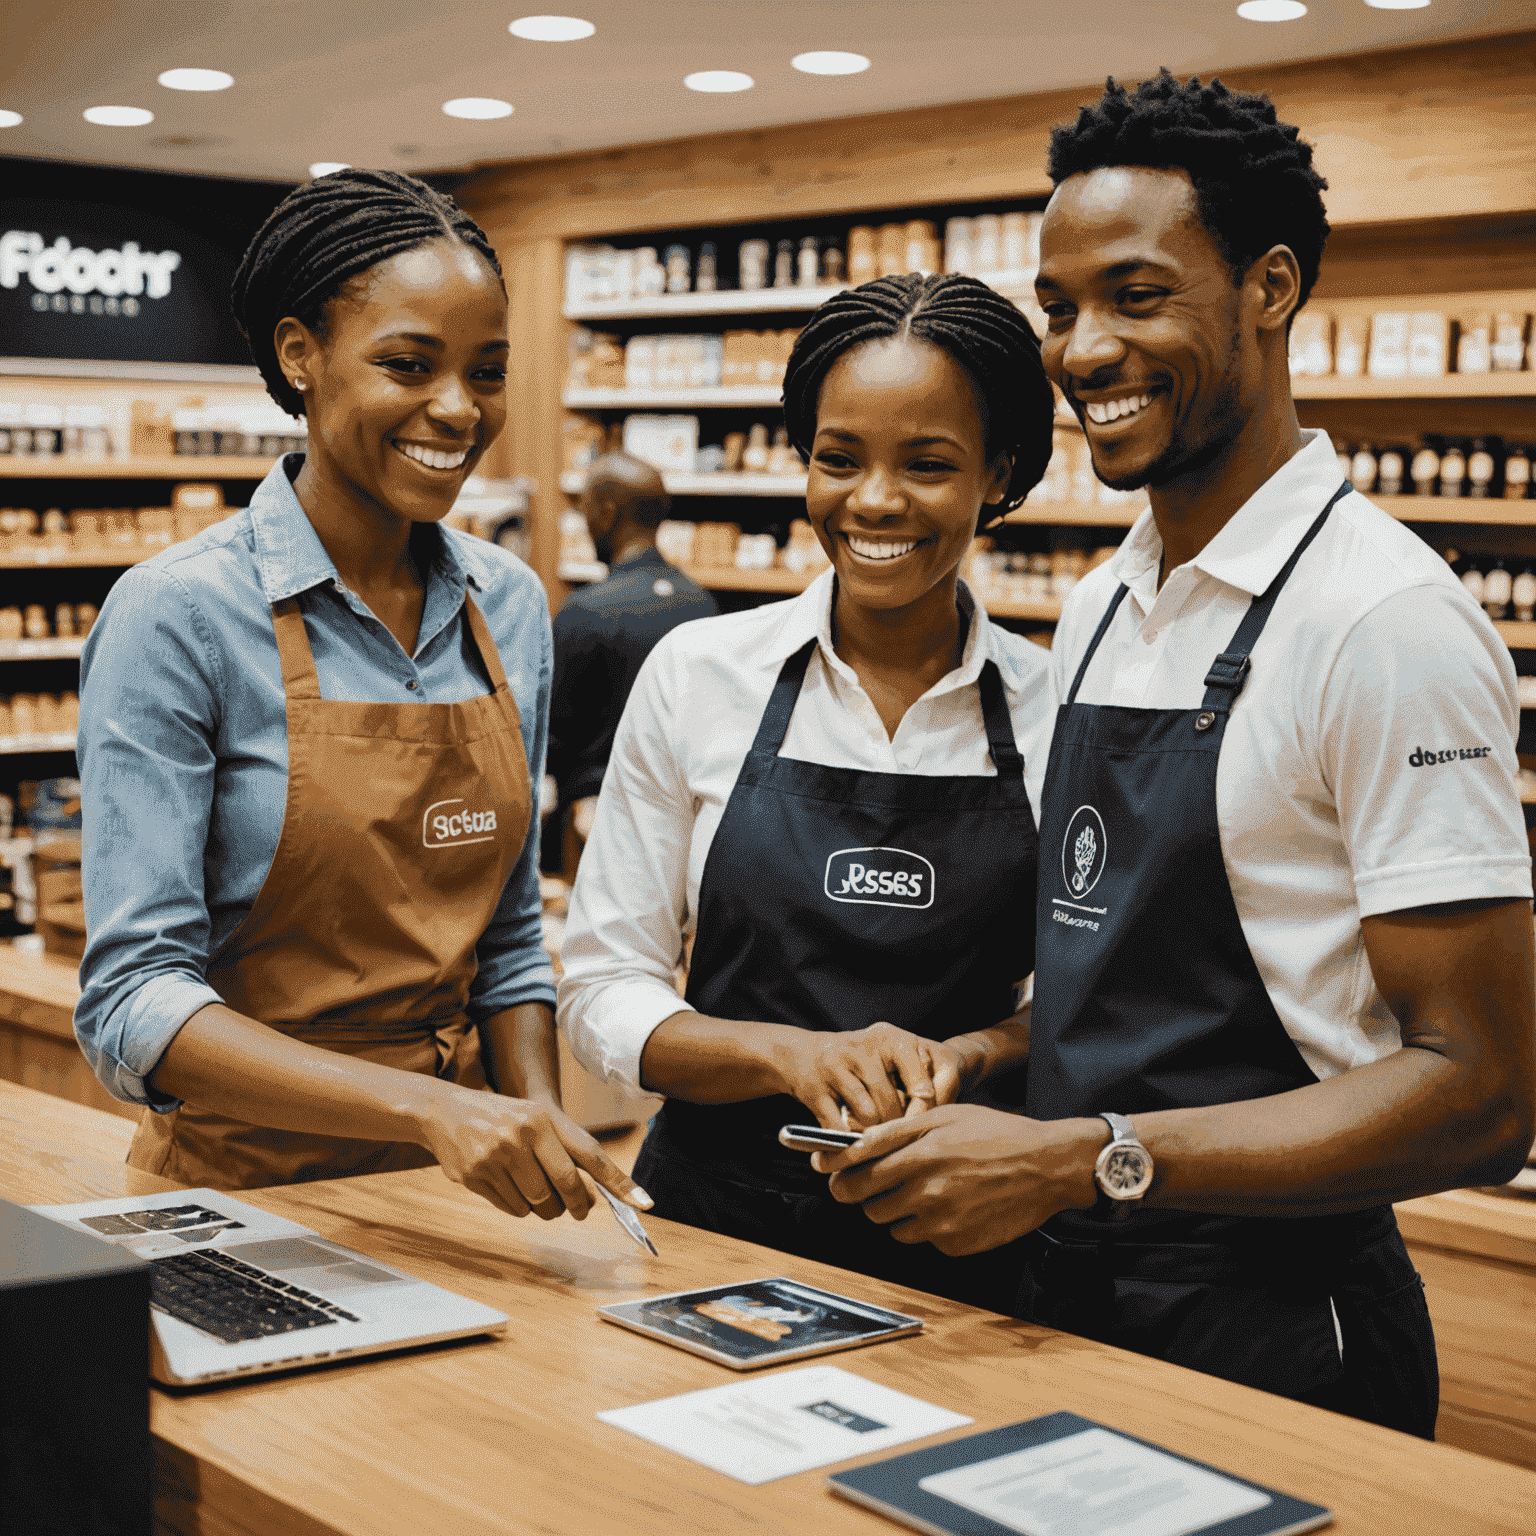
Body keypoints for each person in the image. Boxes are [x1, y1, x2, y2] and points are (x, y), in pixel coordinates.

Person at [814, 71, 1535, 1435]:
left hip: (1280, 1323)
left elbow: (1483, 1094)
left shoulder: (1384, 622)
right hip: (1072, 1284)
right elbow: (1130, 982)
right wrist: (988, 1061)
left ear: (1270, 289)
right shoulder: (1101, 604)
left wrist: (1086, 1159)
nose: (1083, 351)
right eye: (1061, 307)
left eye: (1138, 298)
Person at [73, 168, 648, 1225]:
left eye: (486, 371)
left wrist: (545, 1143)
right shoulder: (180, 616)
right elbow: (134, 1001)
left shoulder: (510, 604)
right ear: (301, 356)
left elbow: (510, 938)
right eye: (409, 365)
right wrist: (428, 1109)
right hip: (236, 1201)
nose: (457, 410)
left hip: (464, 1204)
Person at [557, 273, 1057, 1309]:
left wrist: (968, 1054)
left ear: (998, 474)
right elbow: (604, 986)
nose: (873, 501)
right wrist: (792, 1056)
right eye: (840, 459)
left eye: (928, 464)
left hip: (972, 1234)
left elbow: (1086, 1008)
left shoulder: (1061, 712)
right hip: (712, 1227)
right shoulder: (701, 675)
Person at [548, 452, 716, 846]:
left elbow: (554, 736)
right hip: (682, 818)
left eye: (586, 508)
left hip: (597, 821)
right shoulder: (701, 603)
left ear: (605, 512)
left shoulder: (586, 611)